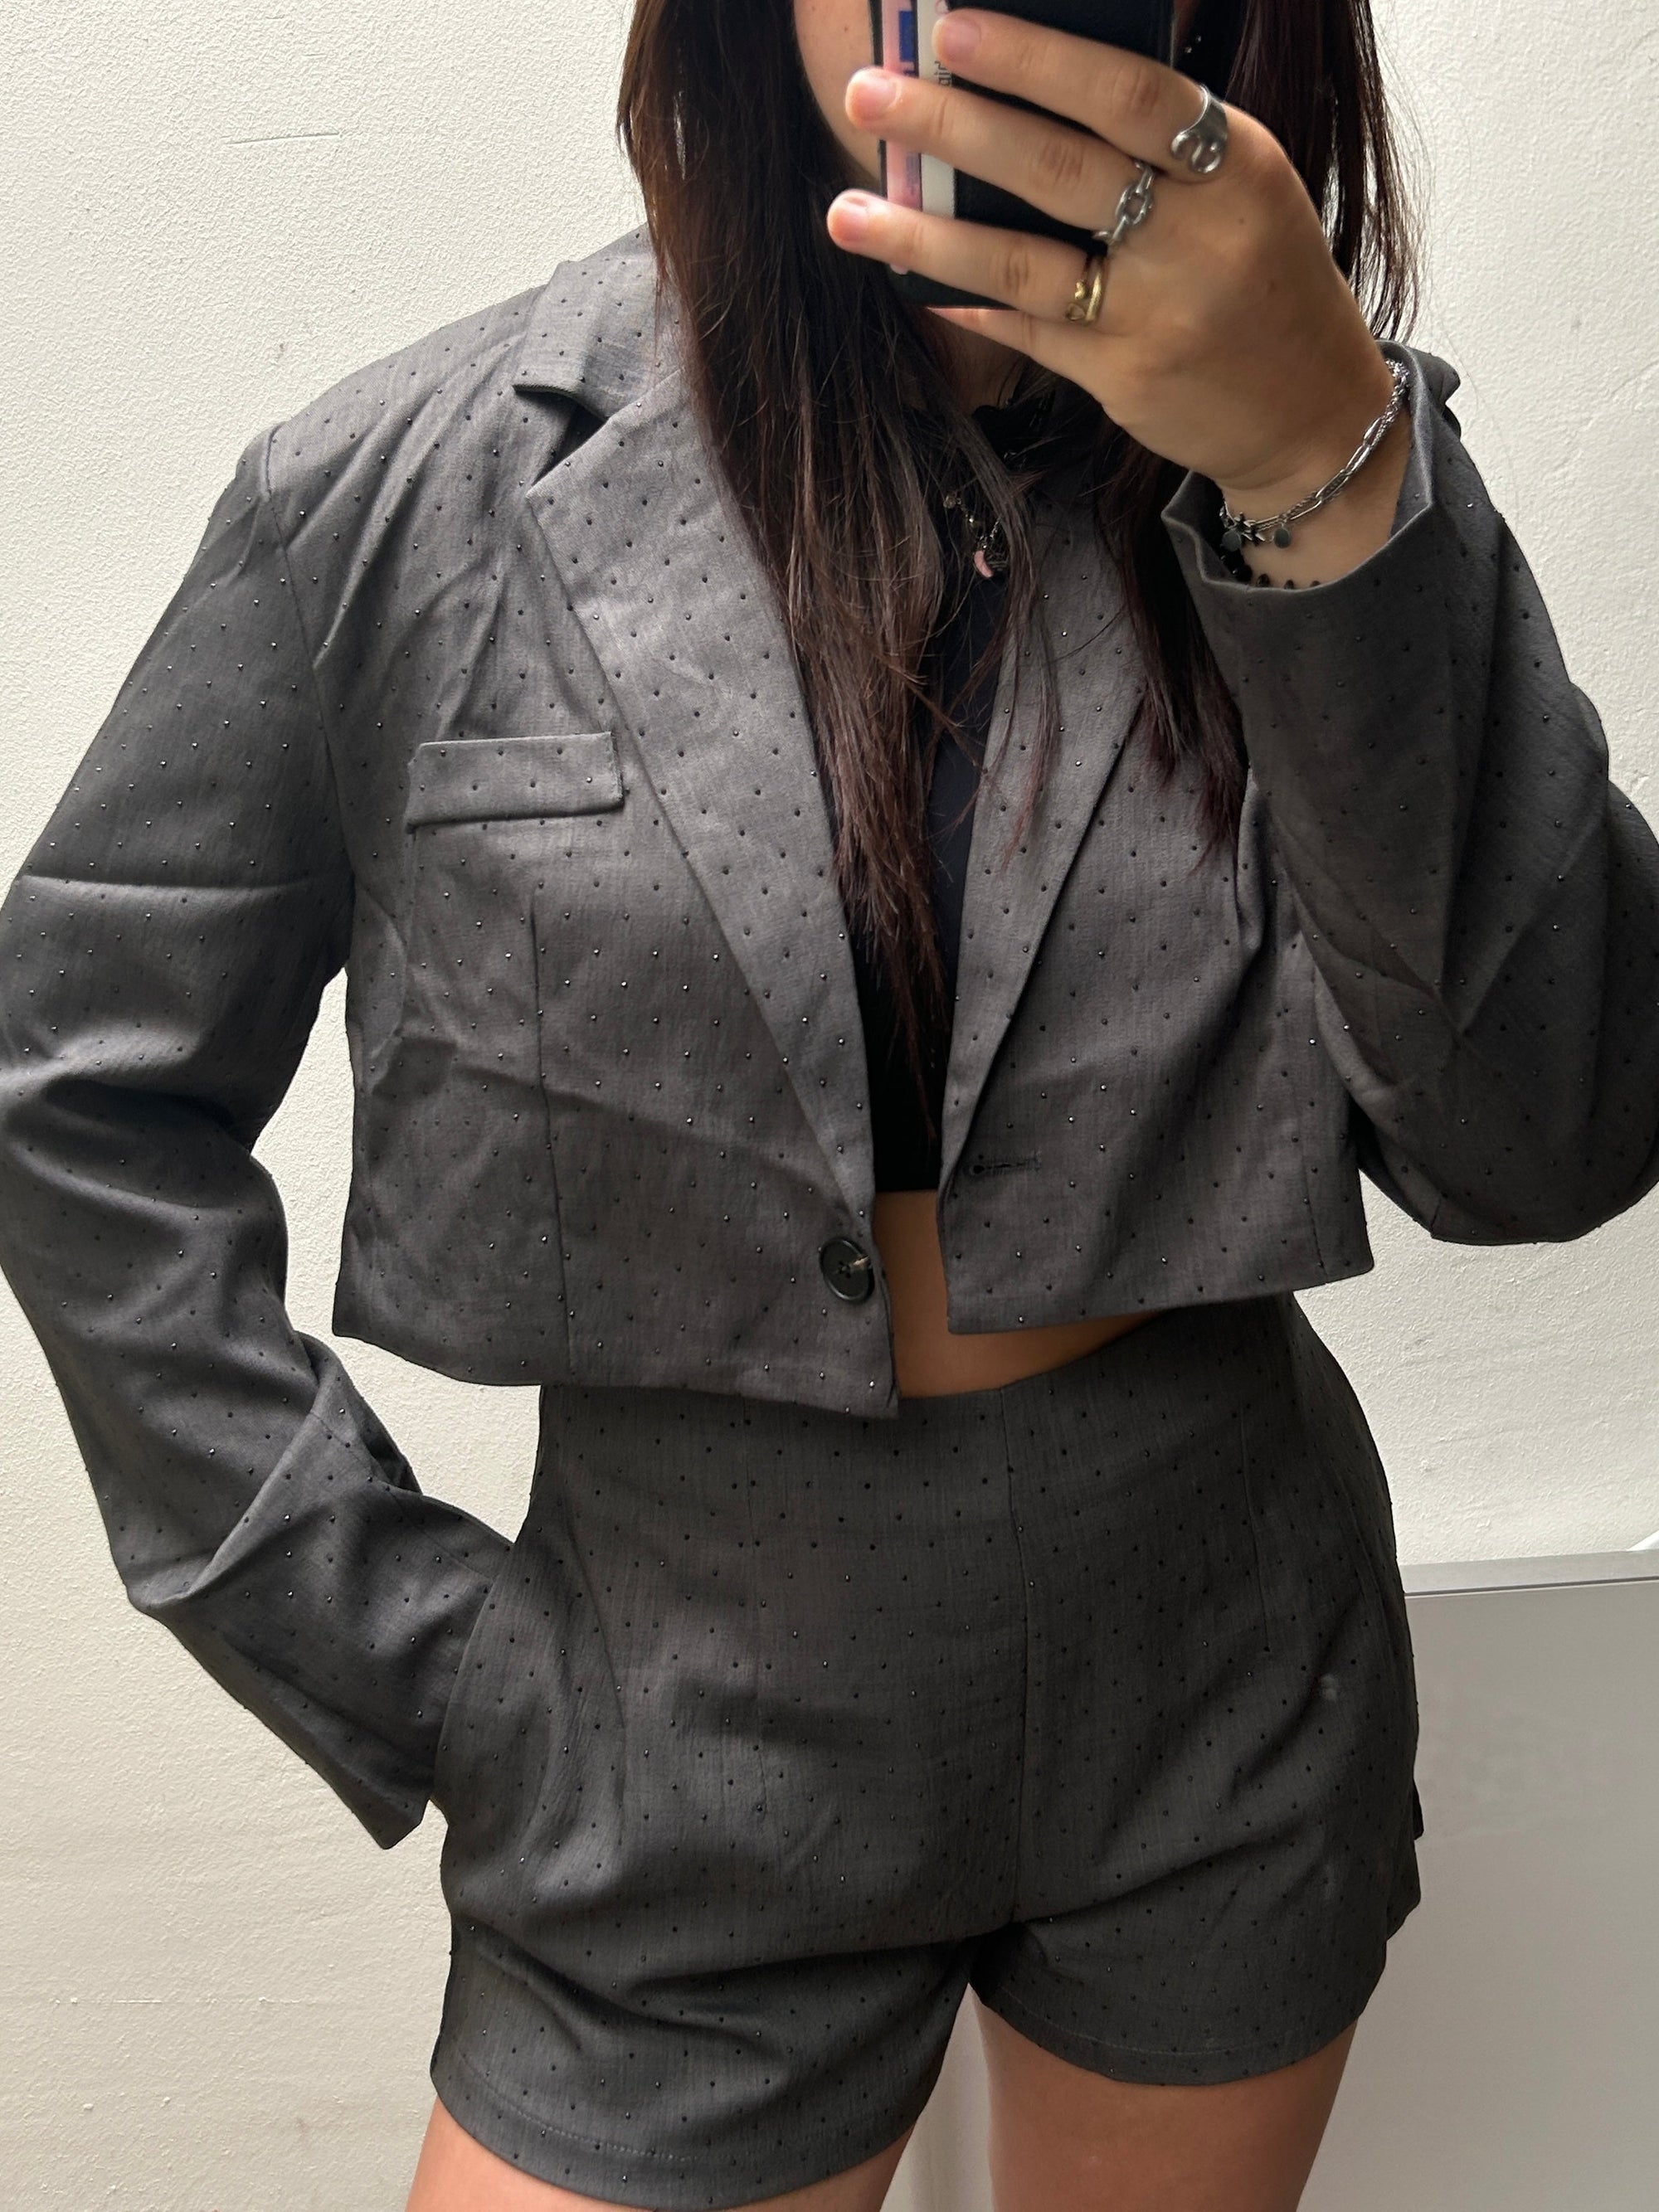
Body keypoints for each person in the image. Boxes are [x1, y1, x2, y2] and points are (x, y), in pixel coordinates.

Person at [2, 0, 1657, 2207]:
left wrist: (1320, 469)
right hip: (682, 1703)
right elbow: (75, 1086)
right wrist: (408, 1652)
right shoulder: (415, 488)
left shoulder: (1334, 462)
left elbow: (1545, 1139)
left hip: (1232, 1675)